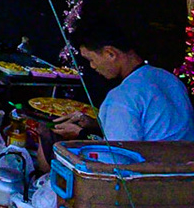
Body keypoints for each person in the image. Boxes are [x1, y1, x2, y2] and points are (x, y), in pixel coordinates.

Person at [55, 12, 194, 143]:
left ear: (110, 53)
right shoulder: (170, 79)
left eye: (91, 59)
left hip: (152, 167)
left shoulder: (121, 97)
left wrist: (82, 135)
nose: (92, 66)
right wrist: (97, 125)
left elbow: (120, 157)